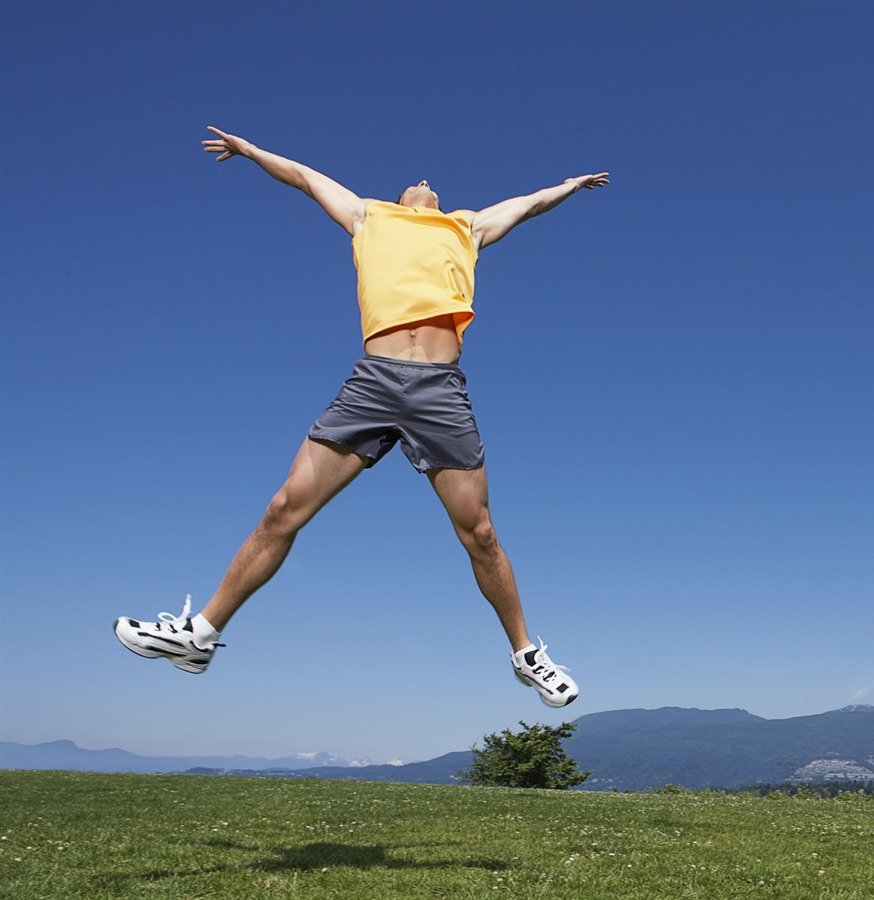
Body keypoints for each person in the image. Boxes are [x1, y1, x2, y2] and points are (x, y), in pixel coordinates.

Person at [114, 126, 608, 708]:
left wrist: (570, 185)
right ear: (400, 198)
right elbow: (301, 174)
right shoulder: (367, 217)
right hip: (373, 384)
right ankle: (199, 637)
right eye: (416, 182)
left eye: (433, 183)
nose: (425, 182)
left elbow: (527, 205)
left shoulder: (465, 227)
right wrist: (249, 152)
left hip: (439, 390)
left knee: (480, 532)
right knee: (282, 509)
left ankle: (527, 655)